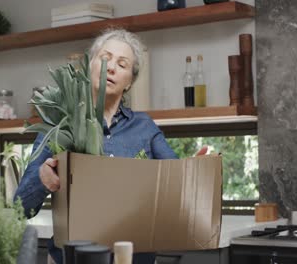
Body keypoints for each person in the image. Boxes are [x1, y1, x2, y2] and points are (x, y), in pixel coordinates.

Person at [14, 28, 207, 264]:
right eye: (105, 58)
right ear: (89, 65)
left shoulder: (144, 127)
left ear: (129, 82)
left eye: (122, 64)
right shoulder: (59, 124)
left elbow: (176, 182)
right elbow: (20, 207)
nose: (111, 68)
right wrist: (43, 180)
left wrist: (194, 172)